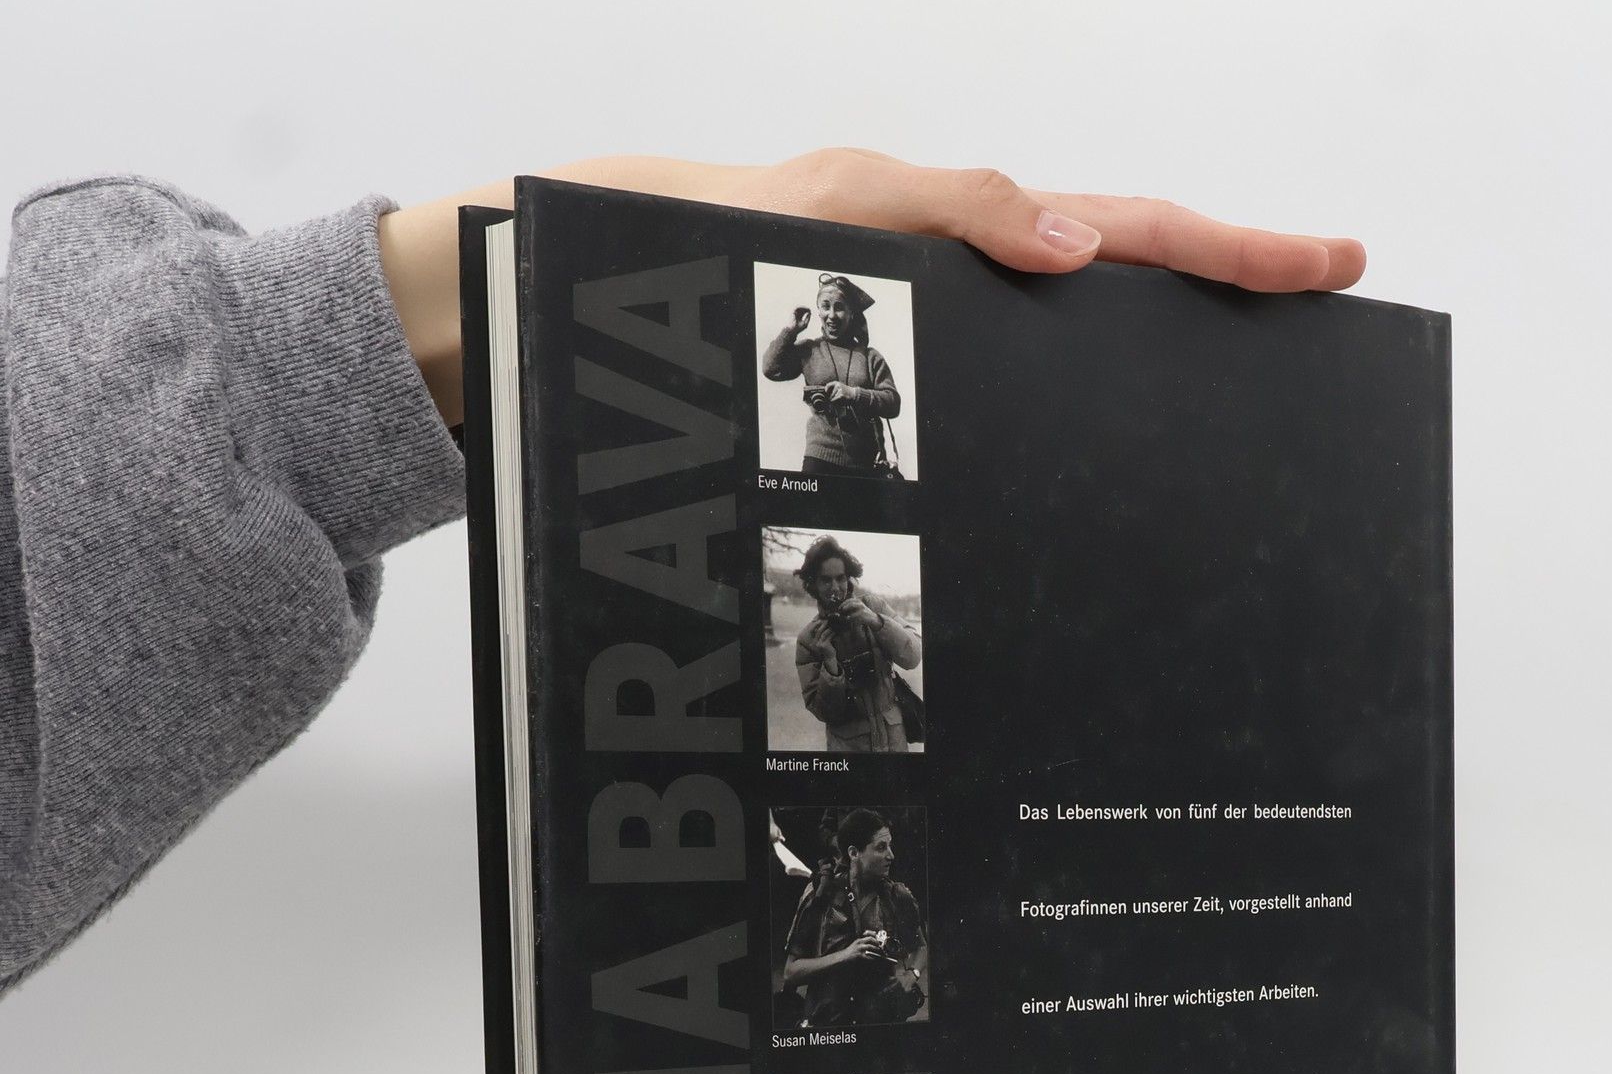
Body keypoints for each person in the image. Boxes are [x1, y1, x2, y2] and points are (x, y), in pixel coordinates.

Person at [0, 149, 1362, 992]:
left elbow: (887, 448)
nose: (839, 592)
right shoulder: (821, 553)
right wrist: (635, 288)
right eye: (830, 584)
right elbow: (788, 441)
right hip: (830, 547)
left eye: (841, 583)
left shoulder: (866, 415)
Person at [780, 809, 928, 1029]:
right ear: (853, 853)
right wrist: (847, 954)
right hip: (828, 1025)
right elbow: (790, 972)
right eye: (881, 847)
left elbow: (921, 947)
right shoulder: (821, 894)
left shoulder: (897, 896)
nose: (891, 855)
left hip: (879, 1021)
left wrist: (912, 974)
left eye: (890, 846)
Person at [792, 534, 924, 753]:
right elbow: (824, 712)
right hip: (849, 748)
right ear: (813, 584)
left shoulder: (873, 607)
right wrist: (830, 664)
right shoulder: (808, 639)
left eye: (841, 578)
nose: (835, 587)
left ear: (849, 578)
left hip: (894, 743)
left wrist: (877, 622)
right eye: (826, 580)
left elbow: (913, 656)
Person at [761, 273, 901, 476]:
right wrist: (790, 331)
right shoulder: (809, 350)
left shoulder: (870, 356)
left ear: (852, 313)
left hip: (865, 464)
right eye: (825, 306)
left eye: (839, 307)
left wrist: (854, 394)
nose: (832, 315)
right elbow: (770, 368)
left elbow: (893, 403)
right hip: (819, 460)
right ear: (818, 311)